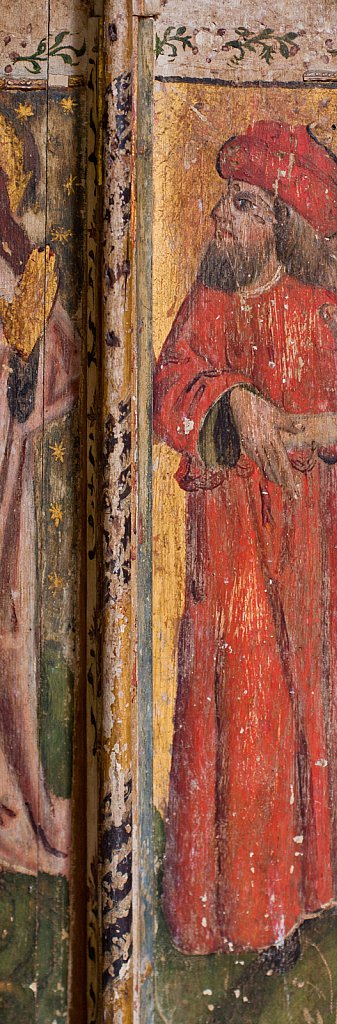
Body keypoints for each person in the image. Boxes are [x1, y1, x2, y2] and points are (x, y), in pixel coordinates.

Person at [153, 121, 337, 962]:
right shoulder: (209, 302)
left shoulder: (323, 311)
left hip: (312, 548)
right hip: (233, 550)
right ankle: (243, 913)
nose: (218, 215)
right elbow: (168, 385)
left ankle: (310, 891)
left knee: (310, 711)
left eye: (242, 203)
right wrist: (229, 403)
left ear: (279, 221)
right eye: (224, 199)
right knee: (242, 715)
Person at [0, 109, 79, 876]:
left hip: (8, 477)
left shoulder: (21, 264)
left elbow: (57, 370)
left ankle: (19, 804)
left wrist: (32, 330)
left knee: (12, 632)